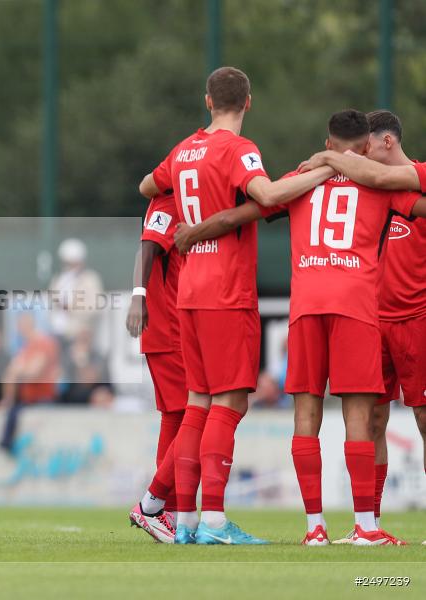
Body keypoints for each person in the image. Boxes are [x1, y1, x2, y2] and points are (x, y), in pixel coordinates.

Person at [174, 109, 426, 546]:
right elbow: (417, 202)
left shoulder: (299, 179)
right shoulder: (378, 183)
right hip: (356, 306)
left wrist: (194, 232)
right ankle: (366, 525)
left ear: (328, 144)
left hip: (306, 307)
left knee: (305, 415)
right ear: (367, 147)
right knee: (359, 416)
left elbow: (245, 213)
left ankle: (314, 528)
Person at [138, 66, 334, 545]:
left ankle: (183, 522)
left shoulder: (184, 149)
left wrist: (189, 201)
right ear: (249, 102)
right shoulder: (239, 150)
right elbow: (265, 194)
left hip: (188, 292)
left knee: (198, 402)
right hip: (226, 291)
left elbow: (148, 185)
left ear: (208, 102)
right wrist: (329, 168)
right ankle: (214, 521)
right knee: (230, 401)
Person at [302, 110, 426, 544]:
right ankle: (367, 523)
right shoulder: (365, 187)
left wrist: (327, 157)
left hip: (417, 320)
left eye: (368, 147)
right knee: (373, 420)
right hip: (370, 320)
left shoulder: (408, 181)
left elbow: (376, 174)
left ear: (385, 143)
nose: (362, 155)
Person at [125, 192, 186, 543]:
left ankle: (168, 513)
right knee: (198, 413)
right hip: (170, 329)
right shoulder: (170, 198)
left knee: (176, 418)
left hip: (170, 328)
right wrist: (139, 295)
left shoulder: (180, 196)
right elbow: (148, 245)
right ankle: (153, 504)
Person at [0, 313, 60, 451]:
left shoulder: (43, 343)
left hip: (42, 397)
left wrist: (18, 372)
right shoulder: (26, 347)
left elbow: (33, 372)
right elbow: (12, 372)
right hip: (28, 397)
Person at [49, 238, 104, 345]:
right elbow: (52, 301)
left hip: (78, 335)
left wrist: (70, 308)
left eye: (72, 263)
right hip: (56, 333)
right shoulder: (59, 279)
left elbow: (95, 307)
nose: (69, 266)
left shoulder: (90, 279)